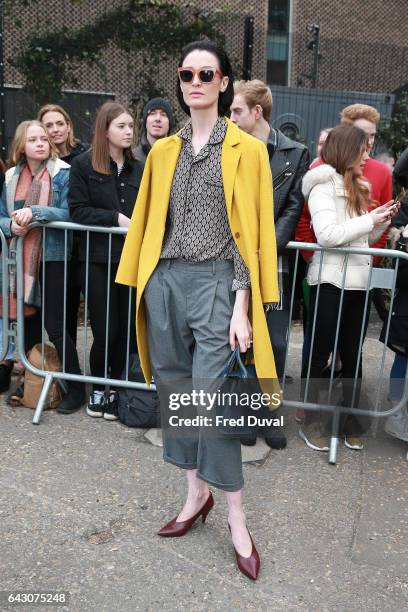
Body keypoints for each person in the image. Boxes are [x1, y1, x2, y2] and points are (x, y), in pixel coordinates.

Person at [116, 40, 280, 580]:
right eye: (186, 73)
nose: (194, 82)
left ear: (225, 82)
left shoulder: (250, 152)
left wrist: (242, 306)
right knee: (174, 390)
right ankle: (194, 495)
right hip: (164, 280)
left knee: (212, 403)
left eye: (206, 73)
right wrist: (142, 281)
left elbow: (252, 236)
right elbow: (146, 222)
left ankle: (235, 514)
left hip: (217, 283)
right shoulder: (163, 151)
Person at [299, 124, 397, 452]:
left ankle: (349, 420)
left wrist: (380, 219)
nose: (366, 155)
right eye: (362, 149)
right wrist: (370, 221)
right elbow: (327, 235)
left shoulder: (356, 184)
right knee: (319, 352)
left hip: (356, 282)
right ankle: (311, 419)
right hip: (329, 281)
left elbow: (360, 239)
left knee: (353, 356)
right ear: (347, 151)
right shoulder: (322, 184)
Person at [230, 79, 310, 449]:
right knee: (243, 339)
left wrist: (266, 249)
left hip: (274, 262)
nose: (230, 116)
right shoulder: (230, 150)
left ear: (256, 112)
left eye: (236, 110)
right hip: (235, 258)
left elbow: (293, 207)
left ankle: (270, 414)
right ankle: (246, 413)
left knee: (276, 342)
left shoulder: (296, 153)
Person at [0, 120, 84, 412]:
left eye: (44, 139)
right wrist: (11, 224)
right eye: (33, 139)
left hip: (54, 257)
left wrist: (35, 213)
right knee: (30, 323)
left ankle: (76, 388)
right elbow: (2, 216)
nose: (40, 143)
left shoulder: (63, 173)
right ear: (21, 145)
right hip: (20, 260)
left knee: (56, 327)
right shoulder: (11, 176)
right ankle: (32, 385)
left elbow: (71, 212)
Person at [68, 102, 143, 420]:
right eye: (122, 126)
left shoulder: (138, 167)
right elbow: (77, 209)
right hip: (97, 259)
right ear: (105, 130)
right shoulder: (84, 165)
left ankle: (119, 388)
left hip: (129, 259)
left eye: (130, 126)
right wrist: (115, 218)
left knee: (127, 330)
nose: (128, 132)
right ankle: (99, 388)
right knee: (105, 329)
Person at [38, 104, 88, 350]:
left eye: (60, 123)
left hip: (83, 247)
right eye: (49, 125)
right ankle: (65, 377)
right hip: (55, 251)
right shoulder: (40, 161)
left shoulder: (84, 156)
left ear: (69, 126)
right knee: (61, 317)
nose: (55, 130)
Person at [133, 97, 174, 166]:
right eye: (152, 113)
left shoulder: (178, 157)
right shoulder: (133, 159)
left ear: (169, 123)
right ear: (145, 121)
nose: (157, 118)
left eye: (163, 114)